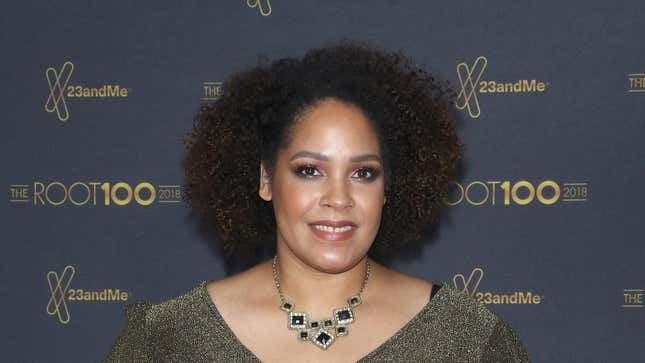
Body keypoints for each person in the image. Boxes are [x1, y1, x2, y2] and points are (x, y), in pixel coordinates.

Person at [103, 38, 529, 362]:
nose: (338, 198)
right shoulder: (168, 340)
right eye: (310, 171)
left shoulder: (468, 342)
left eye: (363, 173)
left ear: (390, 188)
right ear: (266, 179)